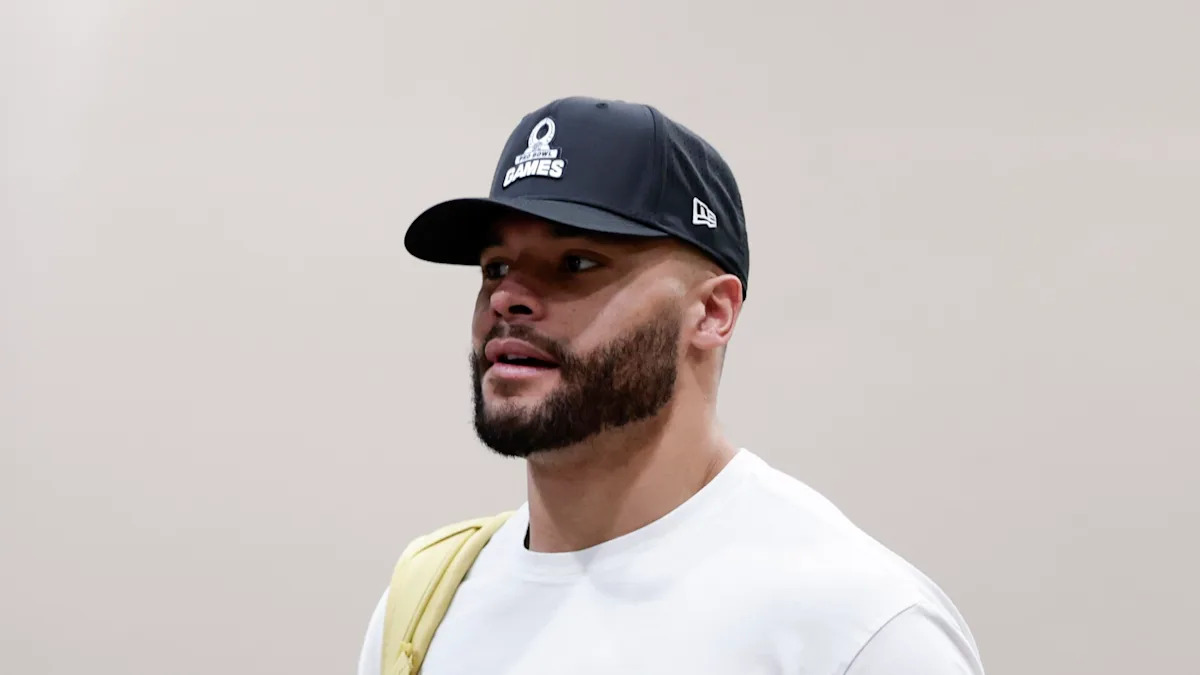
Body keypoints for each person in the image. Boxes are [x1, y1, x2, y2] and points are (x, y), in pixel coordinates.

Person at [357, 96, 986, 675]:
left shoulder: (858, 630)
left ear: (711, 313)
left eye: (576, 262)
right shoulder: (426, 607)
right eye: (495, 267)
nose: (507, 298)